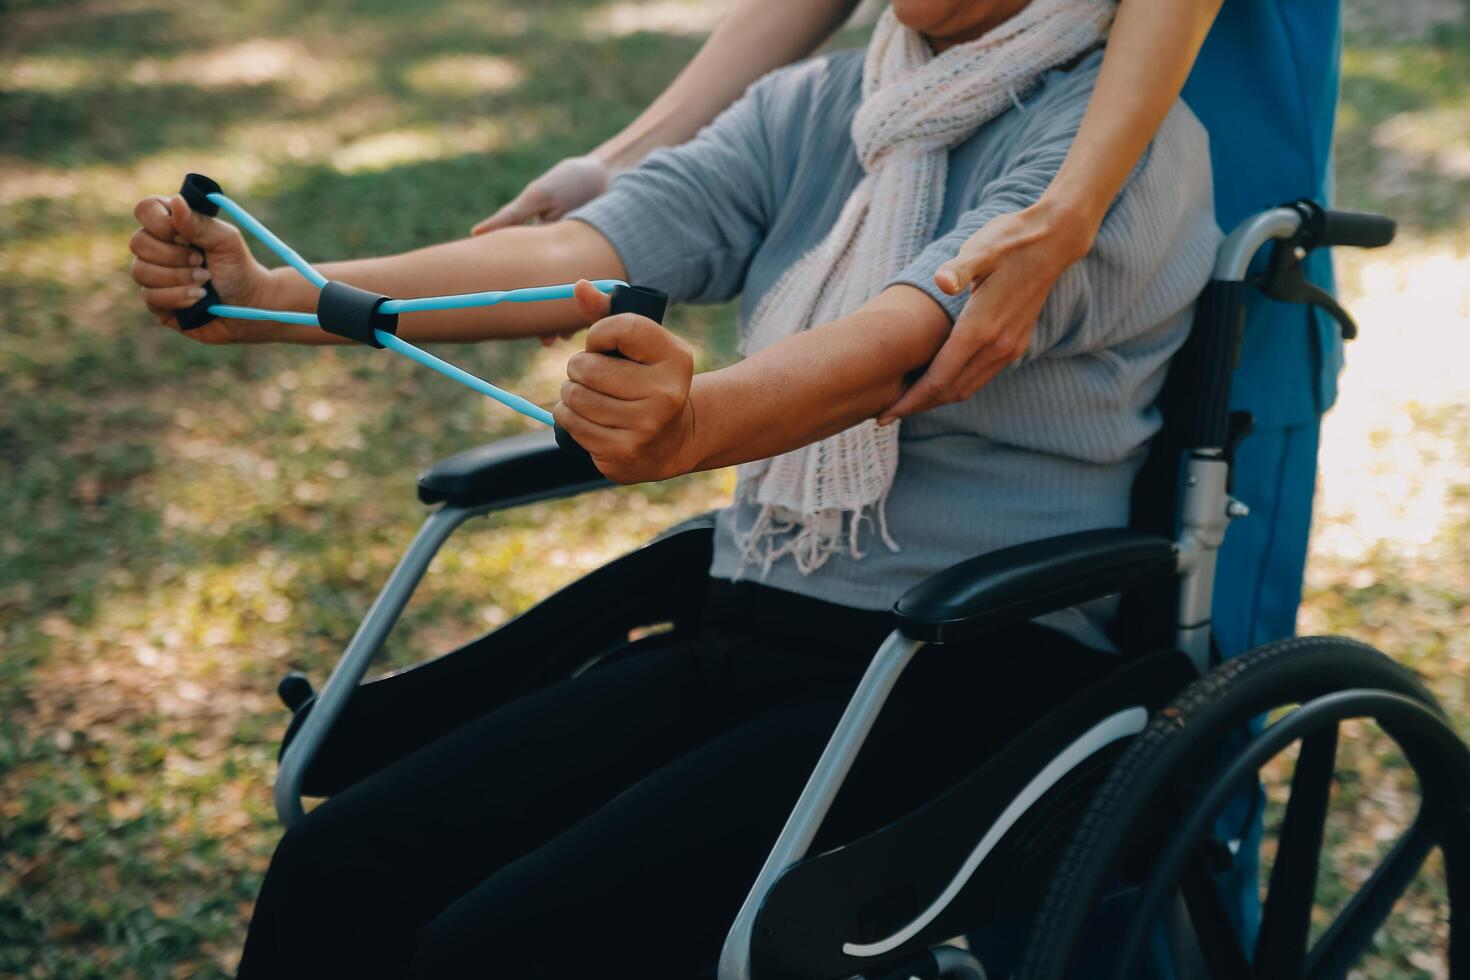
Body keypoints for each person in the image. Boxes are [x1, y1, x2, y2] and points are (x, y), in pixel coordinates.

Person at [129, 0, 1221, 975]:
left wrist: (699, 422)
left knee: (504, 943)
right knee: (336, 865)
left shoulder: (1111, 152)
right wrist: (286, 293)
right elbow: (584, 246)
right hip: (750, 618)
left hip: (967, 665)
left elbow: (898, 346)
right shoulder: (827, 101)